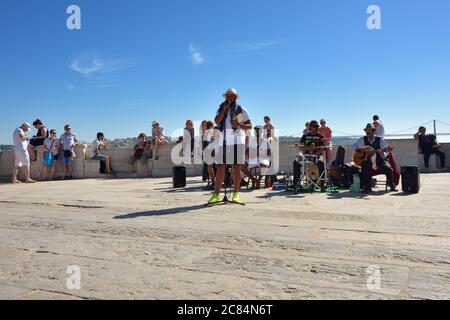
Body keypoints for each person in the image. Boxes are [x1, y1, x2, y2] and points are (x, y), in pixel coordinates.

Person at [207, 88, 252, 205]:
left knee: (236, 166)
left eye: (232, 96)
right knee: (220, 166)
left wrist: (239, 125)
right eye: (228, 96)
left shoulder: (240, 110)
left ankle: (236, 194)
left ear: (235, 98)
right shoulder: (221, 108)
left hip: (237, 140)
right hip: (223, 140)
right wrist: (224, 110)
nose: (230, 98)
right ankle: (216, 194)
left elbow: (249, 125)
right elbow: (217, 122)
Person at [353, 123, 396, 193]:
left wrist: (383, 153)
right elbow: (354, 145)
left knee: (388, 169)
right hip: (368, 159)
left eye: (369, 132)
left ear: (373, 131)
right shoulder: (362, 139)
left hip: (379, 159)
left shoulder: (380, 140)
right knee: (365, 166)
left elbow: (385, 151)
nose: (368, 134)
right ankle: (367, 187)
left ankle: (391, 184)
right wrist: (358, 152)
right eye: (366, 132)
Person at [294, 120, 327, 191]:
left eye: (316, 126)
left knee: (321, 163)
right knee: (295, 162)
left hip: (317, 156)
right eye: (314, 126)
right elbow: (301, 147)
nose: (316, 128)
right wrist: (307, 148)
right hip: (306, 156)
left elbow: (322, 148)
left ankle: (322, 184)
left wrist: (315, 154)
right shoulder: (305, 136)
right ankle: (296, 183)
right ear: (310, 127)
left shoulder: (321, 136)